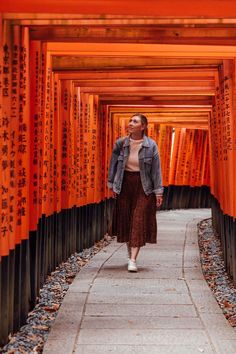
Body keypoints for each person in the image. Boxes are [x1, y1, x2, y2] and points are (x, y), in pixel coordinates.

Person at [107, 113, 163, 272]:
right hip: (124, 184)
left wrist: (158, 192)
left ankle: (133, 259)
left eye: (135, 121)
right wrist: (111, 184)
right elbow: (113, 165)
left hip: (144, 186)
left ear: (143, 126)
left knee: (138, 219)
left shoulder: (151, 145)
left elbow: (156, 170)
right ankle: (130, 251)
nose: (130, 123)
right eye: (130, 120)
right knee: (127, 220)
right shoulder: (120, 144)